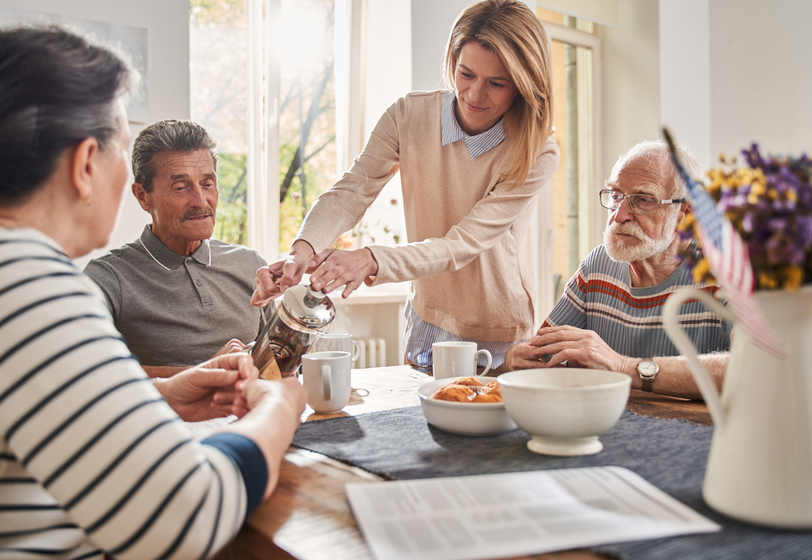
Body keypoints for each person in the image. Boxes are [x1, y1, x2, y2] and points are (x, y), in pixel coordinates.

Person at [0, 25, 305, 559]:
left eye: (206, 181)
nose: (199, 197)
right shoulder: (33, 287)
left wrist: (162, 394)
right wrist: (277, 409)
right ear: (85, 163)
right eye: (120, 146)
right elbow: (187, 516)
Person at [251, 0, 560, 372]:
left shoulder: (536, 151)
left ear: (524, 86)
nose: (475, 95)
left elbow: (462, 244)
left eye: (497, 84)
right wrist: (302, 251)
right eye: (466, 74)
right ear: (452, 62)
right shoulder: (409, 116)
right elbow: (353, 190)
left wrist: (371, 258)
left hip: (498, 328)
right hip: (427, 316)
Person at [500, 140, 731, 399]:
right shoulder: (598, 266)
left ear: (685, 213)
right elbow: (541, 354)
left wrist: (622, 367)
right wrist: (515, 358)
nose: (619, 215)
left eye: (643, 200)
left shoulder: (727, 273)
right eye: (616, 195)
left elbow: (747, 371)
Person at [85, 120, 270, 378]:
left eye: (207, 184)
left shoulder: (250, 264)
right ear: (142, 196)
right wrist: (201, 374)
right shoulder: (108, 278)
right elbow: (85, 371)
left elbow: (281, 360)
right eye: (181, 188)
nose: (200, 201)